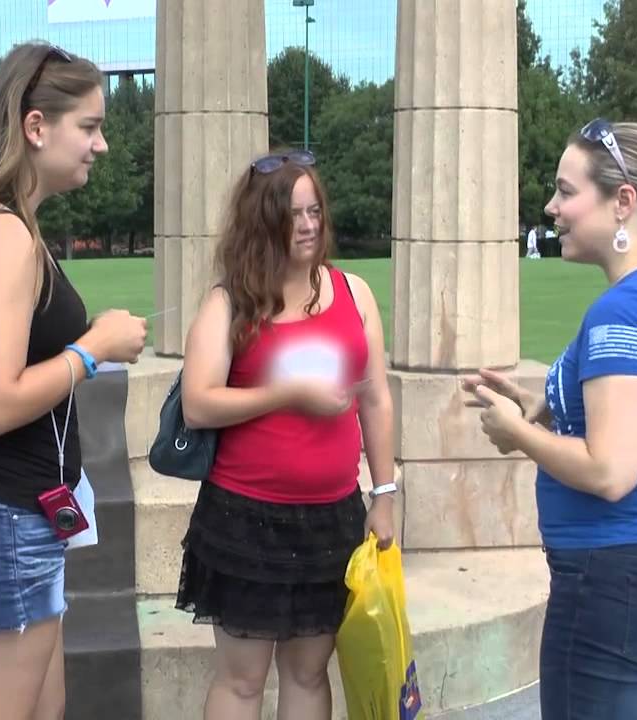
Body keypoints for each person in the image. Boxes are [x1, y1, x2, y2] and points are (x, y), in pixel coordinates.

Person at [0, 42, 147, 718]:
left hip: (10, 514)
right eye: (89, 127)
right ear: (36, 127)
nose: (100, 144)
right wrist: (93, 349)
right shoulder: (1, 234)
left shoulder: (1, 223)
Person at [463, 119, 637, 719]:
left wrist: (519, 434)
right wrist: (548, 405)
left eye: (566, 190)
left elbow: (612, 470)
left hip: (616, 579)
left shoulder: (624, 311)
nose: (551, 206)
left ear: (623, 203)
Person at [177, 149, 397, 720]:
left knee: (308, 674)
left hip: (333, 517)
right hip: (245, 519)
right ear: (262, 221)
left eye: (314, 211)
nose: (307, 225)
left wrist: (386, 494)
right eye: (292, 214)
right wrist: (290, 392)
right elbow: (199, 404)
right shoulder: (230, 302)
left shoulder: (353, 293)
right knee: (242, 682)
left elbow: (374, 397)